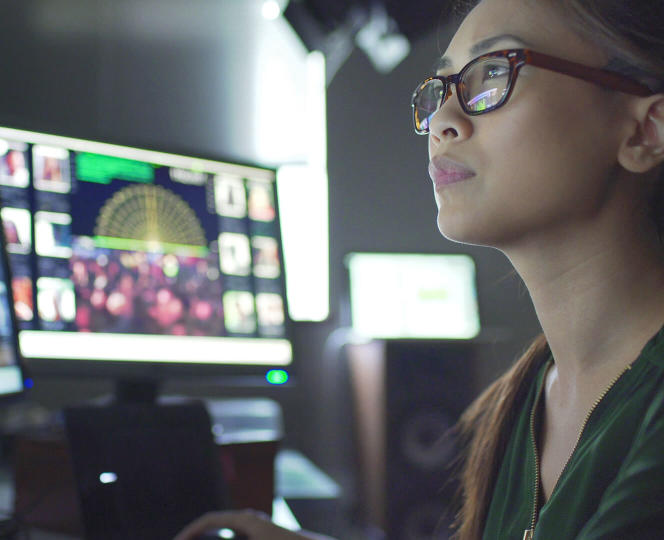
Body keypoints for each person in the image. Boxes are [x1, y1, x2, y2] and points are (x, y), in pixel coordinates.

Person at [176, 0, 664, 538]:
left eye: (492, 74)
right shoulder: (528, 395)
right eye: (439, 91)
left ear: (645, 131)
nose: (442, 122)